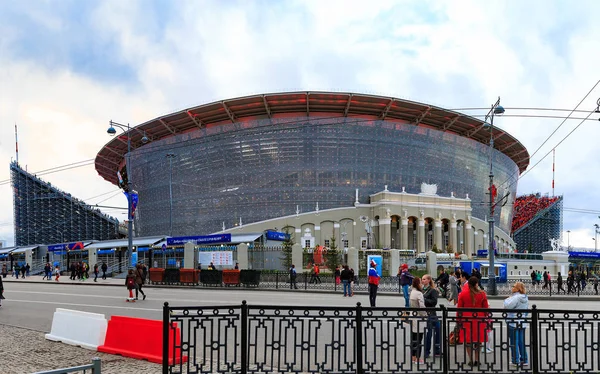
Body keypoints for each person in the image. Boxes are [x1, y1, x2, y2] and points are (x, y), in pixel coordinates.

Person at [457, 276, 489, 367]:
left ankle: (470, 359)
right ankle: (477, 359)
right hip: (479, 320)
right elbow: (485, 308)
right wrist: (485, 316)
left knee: (468, 341)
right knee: (478, 341)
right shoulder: (482, 294)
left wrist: (458, 320)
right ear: (476, 284)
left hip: (467, 320)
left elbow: (459, 308)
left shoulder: (462, 294)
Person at [504, 282, 529, 367]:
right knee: (521, 342)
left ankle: (515, 360)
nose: (512, 287)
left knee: (514, 342)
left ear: (518, 289)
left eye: (514, 286)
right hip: (522, 322)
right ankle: (524, 359)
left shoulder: (516, 297)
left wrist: (507, 299)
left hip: (513, 322)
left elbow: (508, 306)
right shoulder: (525, 297)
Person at [422, 274, 441, 359]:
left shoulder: (432, 290)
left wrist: (424, 300)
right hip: (426, 314)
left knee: (437, 331)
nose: (423, 281)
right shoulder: (422, 290)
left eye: (424, 279)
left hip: (432, 314)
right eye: (422, 279)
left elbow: (434, 302)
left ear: (429, 280)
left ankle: (437, 350)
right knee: (428, 333)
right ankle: (427, 351)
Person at [409, 277, 427, 365]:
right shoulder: (419, 294)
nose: (421, 284)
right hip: (419, 318)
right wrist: (425, 315)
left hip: (413, 316)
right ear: (417, 283)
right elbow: (422, 307)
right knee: (419, 338)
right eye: (420, 282)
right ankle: (418, 358)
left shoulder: (412, 292)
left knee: (414, 338)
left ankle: (413, 357)